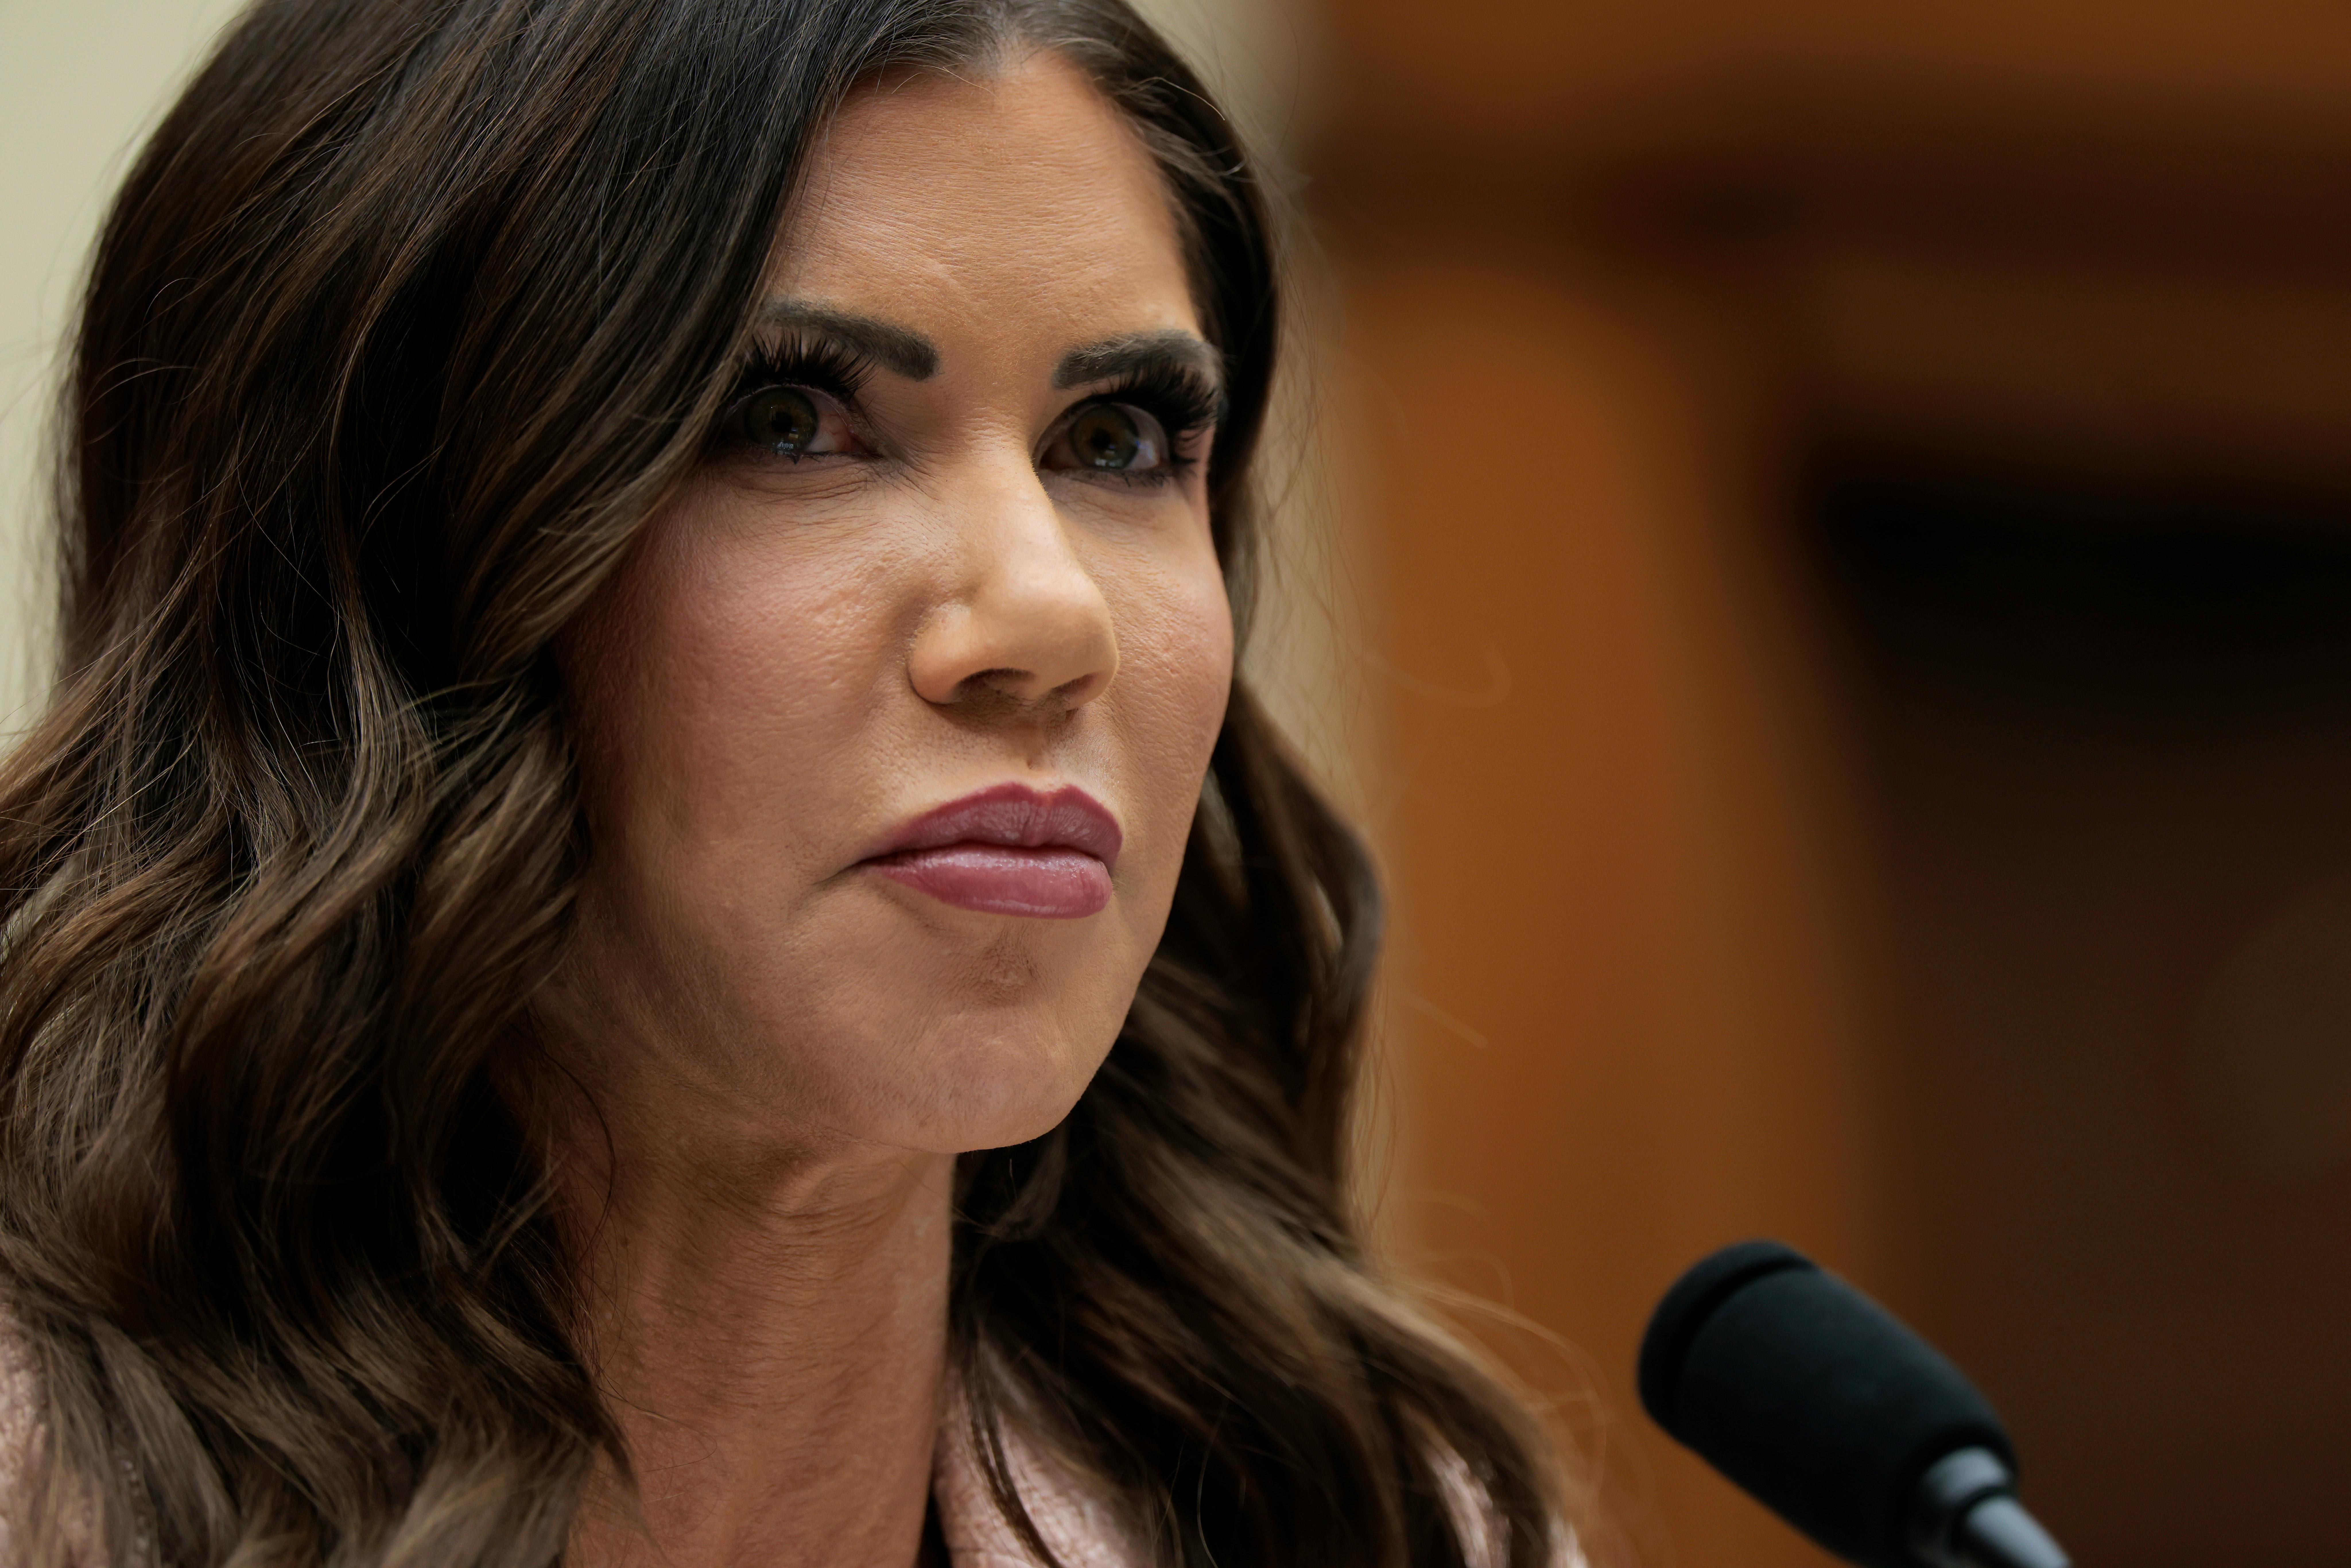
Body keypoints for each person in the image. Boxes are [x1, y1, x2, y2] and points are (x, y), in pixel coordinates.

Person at [0, 1, 1578, 1564]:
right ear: (374, 579)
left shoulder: (1367, 1520)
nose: (1049, 618)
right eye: (789, 422)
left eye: (1116, 441)